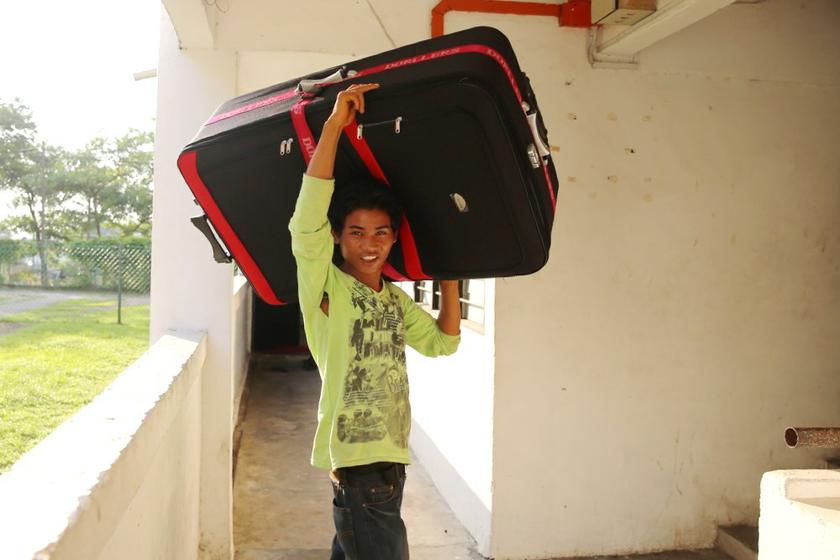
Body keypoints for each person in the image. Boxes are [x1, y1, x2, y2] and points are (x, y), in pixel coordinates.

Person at [288, 82, 462, 559]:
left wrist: (449, 273)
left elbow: (443, 342)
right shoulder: (327, 288)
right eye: (357, 232)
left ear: (393, 239)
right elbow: (306, 223)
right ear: (338, 239)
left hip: (391, 462)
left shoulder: (394, 301)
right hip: (358, 464)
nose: (370, 244)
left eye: (382, 233)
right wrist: (332, 129)